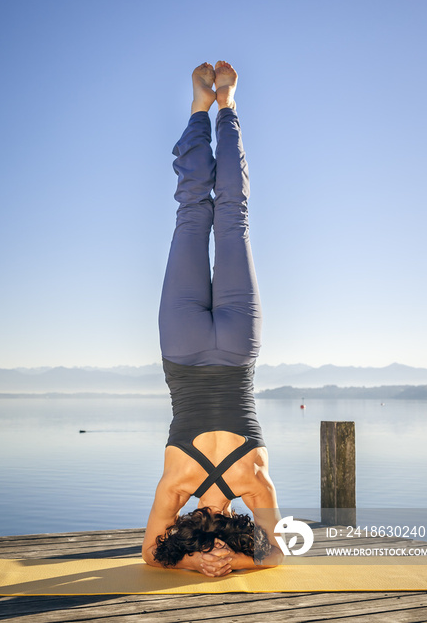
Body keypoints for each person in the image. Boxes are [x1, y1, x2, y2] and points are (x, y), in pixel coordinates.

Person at [142, 61, 283, 576]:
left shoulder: (246, 482)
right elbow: (152, 555)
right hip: (195, 349)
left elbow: (273, 557)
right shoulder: (184, 484)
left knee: (219, 215)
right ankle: (214, 108)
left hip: (219, 348)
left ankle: (215, 107)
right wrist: (198, 566)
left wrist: (218, 563)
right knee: (209, 215)